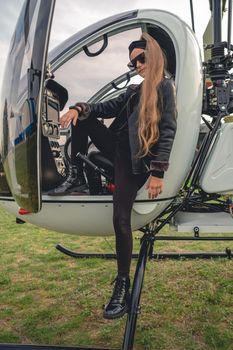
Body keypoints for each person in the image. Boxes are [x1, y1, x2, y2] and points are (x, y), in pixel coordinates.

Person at [48, 32, 177, 319]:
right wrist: (77, 107)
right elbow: (103, 108)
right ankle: (77, 176)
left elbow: (167, 131)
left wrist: (157, 173)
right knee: (83, 116)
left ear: (153, 56)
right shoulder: (134, 91)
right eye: (133, 63)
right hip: (115, 148)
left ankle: (122, 283)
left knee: (121, 219)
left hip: (136, 162)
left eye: (141, 59)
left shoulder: (165, 88)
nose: (138, 65)